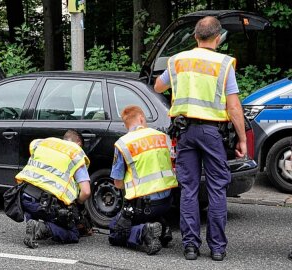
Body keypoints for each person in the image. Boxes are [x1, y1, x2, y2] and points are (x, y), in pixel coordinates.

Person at [154, 16, 247, 261]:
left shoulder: (177, 61)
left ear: (195, 36)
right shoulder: (224, 64)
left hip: (185, 132)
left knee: (189, 189)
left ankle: (190, 247)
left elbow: (158, 87)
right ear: (218, 38)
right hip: (212, 132)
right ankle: (217, 248)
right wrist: (242, 140)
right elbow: (234, 106)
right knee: (217, 188)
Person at [108, 105, 178, 255]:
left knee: (115, 229)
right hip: (167, 201)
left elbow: (118, 183)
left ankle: (145, 231)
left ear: (126, 124)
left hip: (144, 205)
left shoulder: (123, 144)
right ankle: (162, 227)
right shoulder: (162, 136)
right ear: (141, 118)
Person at [15, 129, 91, 248]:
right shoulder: (76, 154)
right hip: (45, 204)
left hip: (24, 198)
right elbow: (86, 192)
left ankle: (34, 222)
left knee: (38, 203)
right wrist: (78, 203)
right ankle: (40, 228)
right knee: (73, 234)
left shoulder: (45, 144)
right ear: (79, 144)